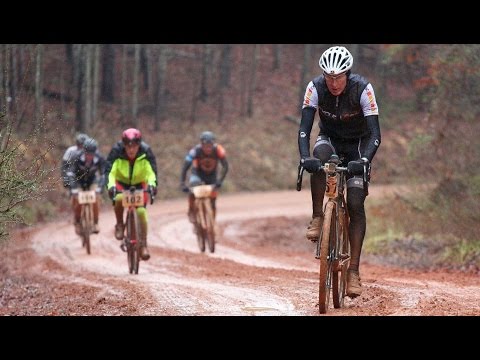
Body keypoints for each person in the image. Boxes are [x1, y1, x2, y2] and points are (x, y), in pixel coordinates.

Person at [297, 46, 381, 298]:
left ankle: (353, 271)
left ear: (347, 74)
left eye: (338, 77)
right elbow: (304, 128)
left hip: (358, 146)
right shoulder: (314, 88)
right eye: (329, 77)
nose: (333, 83)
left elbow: (376, 134)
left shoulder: (363, 89)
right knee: (319, 157)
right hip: (330, 139)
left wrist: (364, 159)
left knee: (355, 203)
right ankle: (317, 217)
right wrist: (305, 158)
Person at [107, 128, 157, 261]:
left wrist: (152, 184)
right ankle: (119, 224)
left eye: (134, 147)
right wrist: (111, 186)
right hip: (122, 185)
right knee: (118, 198)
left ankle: (144, 245)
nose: (131, 150)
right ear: (124, 146)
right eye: (128, 147)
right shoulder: (118, 158)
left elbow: (151, 173)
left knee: (141, 212)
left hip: (139, 185)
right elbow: (111, 173)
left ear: (139, 146)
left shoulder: (144, 158)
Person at [179, 131, 229, 222]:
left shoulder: (218, 150)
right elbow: (185, 167)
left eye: (210, 146)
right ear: (201, 144)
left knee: (213, 200)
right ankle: (191, 210)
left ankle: (212, 222)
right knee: (193, 191)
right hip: (197, 175)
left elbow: (225, 166)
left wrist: (220, 180)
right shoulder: (195, 151)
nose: (208, 149)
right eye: (206, 146)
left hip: (212, 176)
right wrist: (182, 183)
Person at [68, 138, 106, 235]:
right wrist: (73, 188)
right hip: (79, 182)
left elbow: (103, 174)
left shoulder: (100, 158)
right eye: (87, 153)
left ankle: (96, 222)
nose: (89, 156)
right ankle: (77, 221)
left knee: (96, 198)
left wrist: (100, 188)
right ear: (83, 151)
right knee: (77, 200)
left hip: (92, 181)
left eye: (91, 154)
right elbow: (71, 173)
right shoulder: (76, 157)